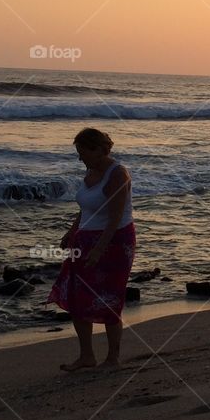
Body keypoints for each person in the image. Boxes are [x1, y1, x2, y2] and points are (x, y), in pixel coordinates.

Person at [47, 128, 136, 371]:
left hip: (115, 241)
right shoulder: (91, 170)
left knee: (109, 298)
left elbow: (115, 217)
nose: (79, 158)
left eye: (82, 152)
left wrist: (99, 249)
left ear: (98, 149)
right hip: (84, 240)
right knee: (77, 295)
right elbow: (87, 208)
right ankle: (87, 356)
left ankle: (113, 358)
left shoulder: (118, 174)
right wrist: (71, 232)